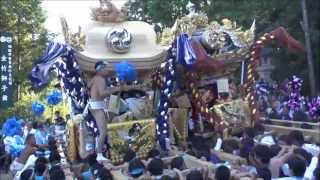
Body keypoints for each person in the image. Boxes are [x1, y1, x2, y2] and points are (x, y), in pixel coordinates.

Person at [87, 60, 134, 161]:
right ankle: (99, 155)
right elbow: (102, 94)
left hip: (97, 105)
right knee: (103, 131)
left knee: (110, 118)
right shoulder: (100, 79)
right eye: (105, 68)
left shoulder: (96, 79)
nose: (107, 70)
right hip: (97, 106)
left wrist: (118, 88)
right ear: (100, 69)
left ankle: (111, 143)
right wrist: (115, 89)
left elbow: (90, 87)